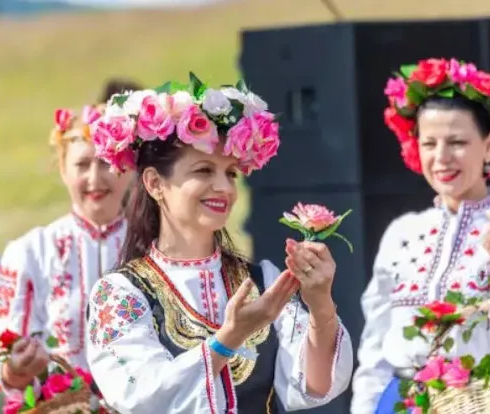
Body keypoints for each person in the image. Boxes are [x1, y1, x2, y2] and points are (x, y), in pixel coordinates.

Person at [85, 77, 354, 413]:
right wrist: (229, 338)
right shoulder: (121, 294)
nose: (223, 187)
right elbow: (142, 397)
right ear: (155, 183)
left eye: (230, 174)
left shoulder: (262, 281)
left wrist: (321, 305)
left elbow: (315, 386)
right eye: (204, 170)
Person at [351, 58, 490, 413]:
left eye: (457, 142)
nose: (441, 158)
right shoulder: (401, 233)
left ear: (488, 146)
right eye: (428, 143)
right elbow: (375, 349)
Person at [0, 104, 135, 394]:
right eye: (82, 165)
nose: (94, 178)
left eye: (106, 162)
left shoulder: (155, 247)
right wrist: (16, 369)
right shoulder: (31, 251)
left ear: (128, 169)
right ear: (63, 170)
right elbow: (1, 352)